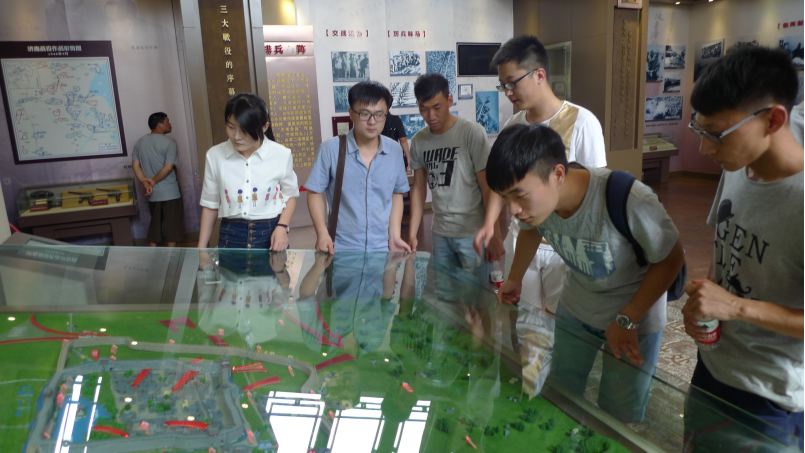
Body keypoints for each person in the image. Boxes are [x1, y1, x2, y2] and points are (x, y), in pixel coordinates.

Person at [490, 124, 685, 424]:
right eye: (505, 198)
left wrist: (628, 318)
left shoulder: (628, 198)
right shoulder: (537, 207)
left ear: (557, 174)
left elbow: (671, 259)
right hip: (577, 308)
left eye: (519, 195)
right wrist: (515, 278)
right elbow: (530, 230)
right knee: (563, 391)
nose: (513, 209)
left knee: (617, 411)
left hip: (632, 318)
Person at [682, 46, 804, 451]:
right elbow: (725, 247)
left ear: (773, 120)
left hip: (770, 395)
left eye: (717, 134)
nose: (705, 149)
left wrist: (735, 307)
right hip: (713, 367)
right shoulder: (737, 166)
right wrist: (704, 305)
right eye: (700, 130)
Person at [475, 35, 608, 314]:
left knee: (564, 320)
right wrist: (490, 225)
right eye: (503, 85)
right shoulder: (514, 125)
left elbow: (595, 193)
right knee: (523, 319)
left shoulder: (582, 122)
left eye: (512, 82)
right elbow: (503, 184)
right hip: (523, 237)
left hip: (564, 247)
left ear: (539, 75)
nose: (508, 92)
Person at [408, 73, 504, 285]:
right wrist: (413, 232)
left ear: (449, 100)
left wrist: (495, 235)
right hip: (440, 233)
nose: (431, 115)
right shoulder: (419, 141)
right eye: (424, 109)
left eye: (437, 107)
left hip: (473, 233)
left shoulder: (471, 133)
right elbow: (419, 189)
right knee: (445, 295)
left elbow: (488, 187)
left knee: (477, 296)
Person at [306, 81, 411, 253]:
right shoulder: (330, 149)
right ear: (351, 114)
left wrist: (395, 237)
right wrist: (322, 233)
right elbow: (315, 192)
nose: (372, 121)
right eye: (365, 114)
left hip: (382, 248)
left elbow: (397, 194)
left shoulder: (394, 150)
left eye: (379, 114)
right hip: (341, 248)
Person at [198, 93, 298, 252]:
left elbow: (290, 195)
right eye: (231, 127)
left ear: (264, 127)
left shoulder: (281, 154)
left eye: (244, 130)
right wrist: (201, 250)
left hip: (270, 234)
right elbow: (210, 205)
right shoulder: (214, 155)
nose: (236, 136)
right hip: (230, 234)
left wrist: (282, 227)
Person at [132, 112, 184, 247]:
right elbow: (168, 168)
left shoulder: (139, 142)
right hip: (171, 192)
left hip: (152, 193)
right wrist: (153, 181)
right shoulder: (170, 142)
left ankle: (153, 253)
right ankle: (171, 255)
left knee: (155, 224)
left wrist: (145, 182)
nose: (170, 124)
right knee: (172, 226)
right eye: (167, 121)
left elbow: (135, 165)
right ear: (159, 125)